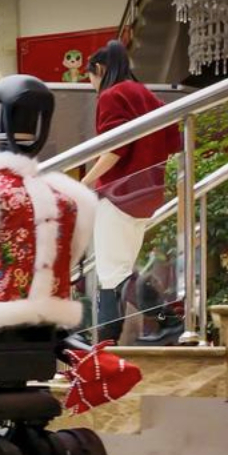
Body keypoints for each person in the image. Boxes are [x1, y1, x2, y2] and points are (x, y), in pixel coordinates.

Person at [81, 40, 181, 342]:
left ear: (99, 69)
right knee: (120, 270)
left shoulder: (112, 95)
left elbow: (114, 150)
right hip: (146, 193)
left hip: (118, 193)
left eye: (91, 79)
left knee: (113, 273)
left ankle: (166, 322)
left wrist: (83, 184)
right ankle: (112, 339)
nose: (94, 87)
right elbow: (172, 142)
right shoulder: (147, 96)